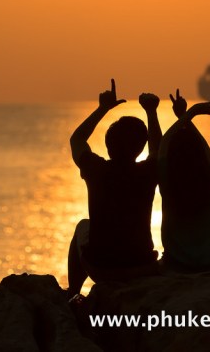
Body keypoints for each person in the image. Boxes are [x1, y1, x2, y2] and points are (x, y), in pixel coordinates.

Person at [66, 79, 162, 298]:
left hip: (103, 270)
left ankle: (73, 292)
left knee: (82, 226)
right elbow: (159, 150)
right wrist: (151, 112)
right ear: (140, 147)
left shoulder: (96, 169)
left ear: (108, 145)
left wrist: (102, 108)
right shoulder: (148, 172)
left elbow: (77, 139)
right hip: (143, 268)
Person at [157, 89, 210, 275]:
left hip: (175, 270)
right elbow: (207, 153)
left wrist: (188, 115)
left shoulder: (167, 181)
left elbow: (164, 143)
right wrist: (187, 115)